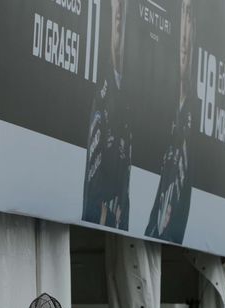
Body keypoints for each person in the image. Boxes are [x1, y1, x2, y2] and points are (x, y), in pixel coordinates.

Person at [144, 0, 195, 243]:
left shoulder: (193, 122)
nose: (184, 37)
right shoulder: (168, 109)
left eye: (190, 19)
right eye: (182, 14)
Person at [81, 0, 132, 230]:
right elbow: (93, 190)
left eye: (124, 3)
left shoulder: (129, 92)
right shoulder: (101, 91)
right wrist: (108, 220)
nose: (119, 9)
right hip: (101, 227)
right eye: (115, 3)